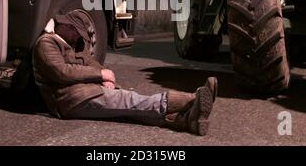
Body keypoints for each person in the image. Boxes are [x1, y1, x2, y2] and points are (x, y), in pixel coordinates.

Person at [33, 12, 218, 136]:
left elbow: (92, 62)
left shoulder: (74, 42)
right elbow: (62, 72)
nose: (78, 36)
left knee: (130, 109)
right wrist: (100, 75)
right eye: (75, 32)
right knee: (130, 101)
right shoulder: (46, 44)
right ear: (65, 25)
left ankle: (188, 121)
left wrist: (104, 77)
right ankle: (192, 100)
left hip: (85, 91)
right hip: (69, 100)